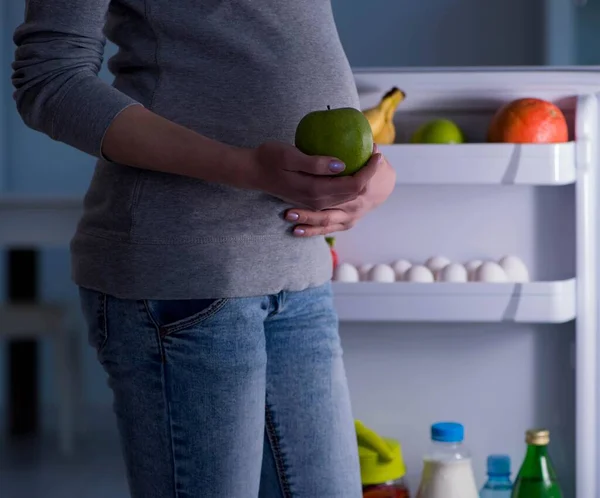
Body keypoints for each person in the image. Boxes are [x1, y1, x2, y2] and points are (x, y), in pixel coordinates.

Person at [12, 1, 396, 497]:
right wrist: (244, 168)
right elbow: (50, 80)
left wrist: (372, 175)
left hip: (298, 271)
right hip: (190, 279)